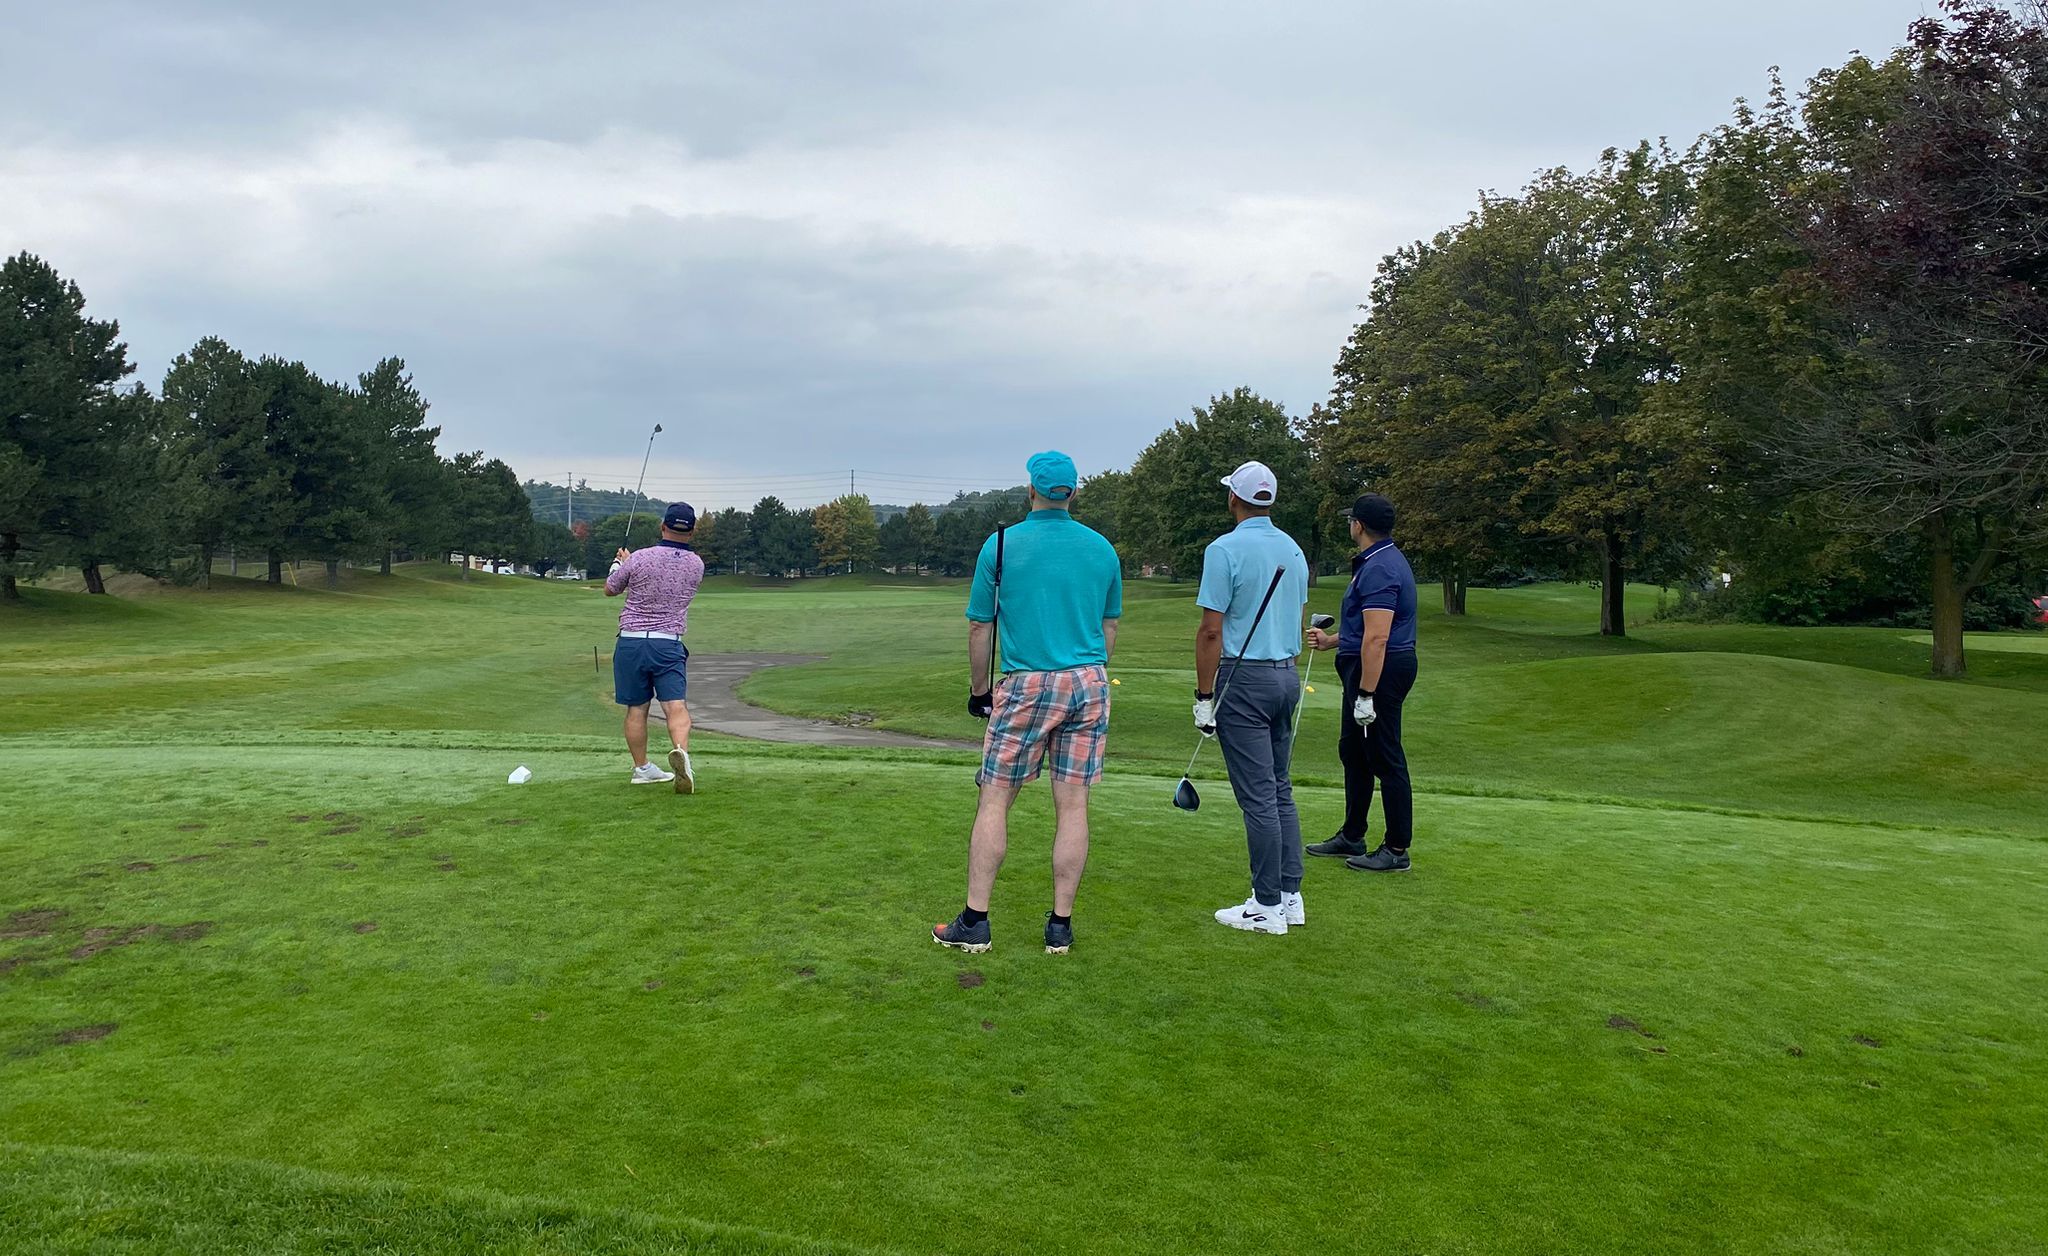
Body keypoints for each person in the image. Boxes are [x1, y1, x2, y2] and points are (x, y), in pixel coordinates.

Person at [932, 451, 1122, 956]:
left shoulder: (1001, 545)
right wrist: (1086, 671)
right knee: (1073, 805)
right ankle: (1060, 927)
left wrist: (979, 692)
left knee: (995, 798)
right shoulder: (1102, 548)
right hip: (1089, 680)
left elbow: (980, 626)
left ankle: (975, 922)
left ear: (1031, 490)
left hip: (1027, 682)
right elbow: (1109, 627)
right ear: (1073, 492)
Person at [1193, 461, 1311, 935]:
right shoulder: (1293, 548)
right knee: (1279, 788)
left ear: (1233, 499)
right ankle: (1289, 897)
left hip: (1244, 681)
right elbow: (1296, 614)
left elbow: (1210, 631)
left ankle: (1266, 905)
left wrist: (1204, 696)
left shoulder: (1224, 549)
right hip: (1286, 677)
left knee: (1259, 796)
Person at [1305, 493, 1419, 871]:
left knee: (1384, 755)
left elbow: (1378, 638)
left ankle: (1397, 849)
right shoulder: (1377, 561)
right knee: (1354, 752)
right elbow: (1366, 629)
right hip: (1370, 666)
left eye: (1351, 520)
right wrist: (1331, 642)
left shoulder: (1380, 567)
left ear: (1359, 526)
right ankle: (1352, 834)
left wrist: (1367, 694)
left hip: (1381, 671)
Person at [604, 501, 705, 793]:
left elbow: (611, 588)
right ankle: (682, 755)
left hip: (632, 642)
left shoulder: (640, 558)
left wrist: (619, 564)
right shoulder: (696, 564)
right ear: (692, 531)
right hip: (668, 643)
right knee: (675, 705)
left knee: (637, 708)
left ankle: (642, 769)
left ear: (663, 526)